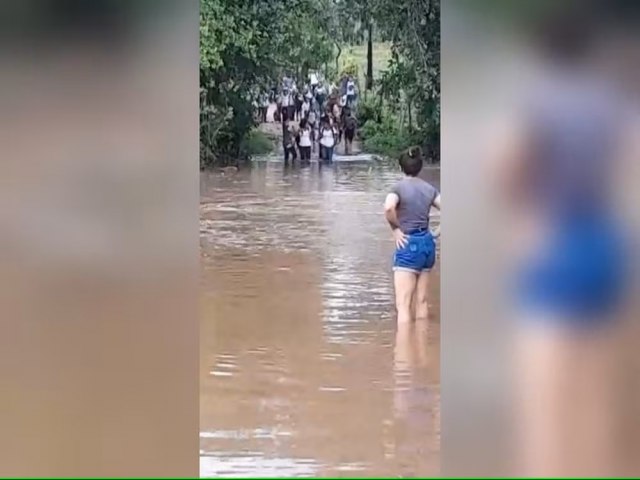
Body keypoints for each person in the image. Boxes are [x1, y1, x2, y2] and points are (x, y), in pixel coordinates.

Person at [384, 147, 441, 324]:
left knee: (403, 304)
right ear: (420, 167)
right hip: (427, 244)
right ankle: (421, 344)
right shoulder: (429, 189)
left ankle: (405, 348)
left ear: (401, 167)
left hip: (408, 244)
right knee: (422, 301)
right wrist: (437, 232)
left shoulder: (398, 188)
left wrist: (396, 229)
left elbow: (388, 208)